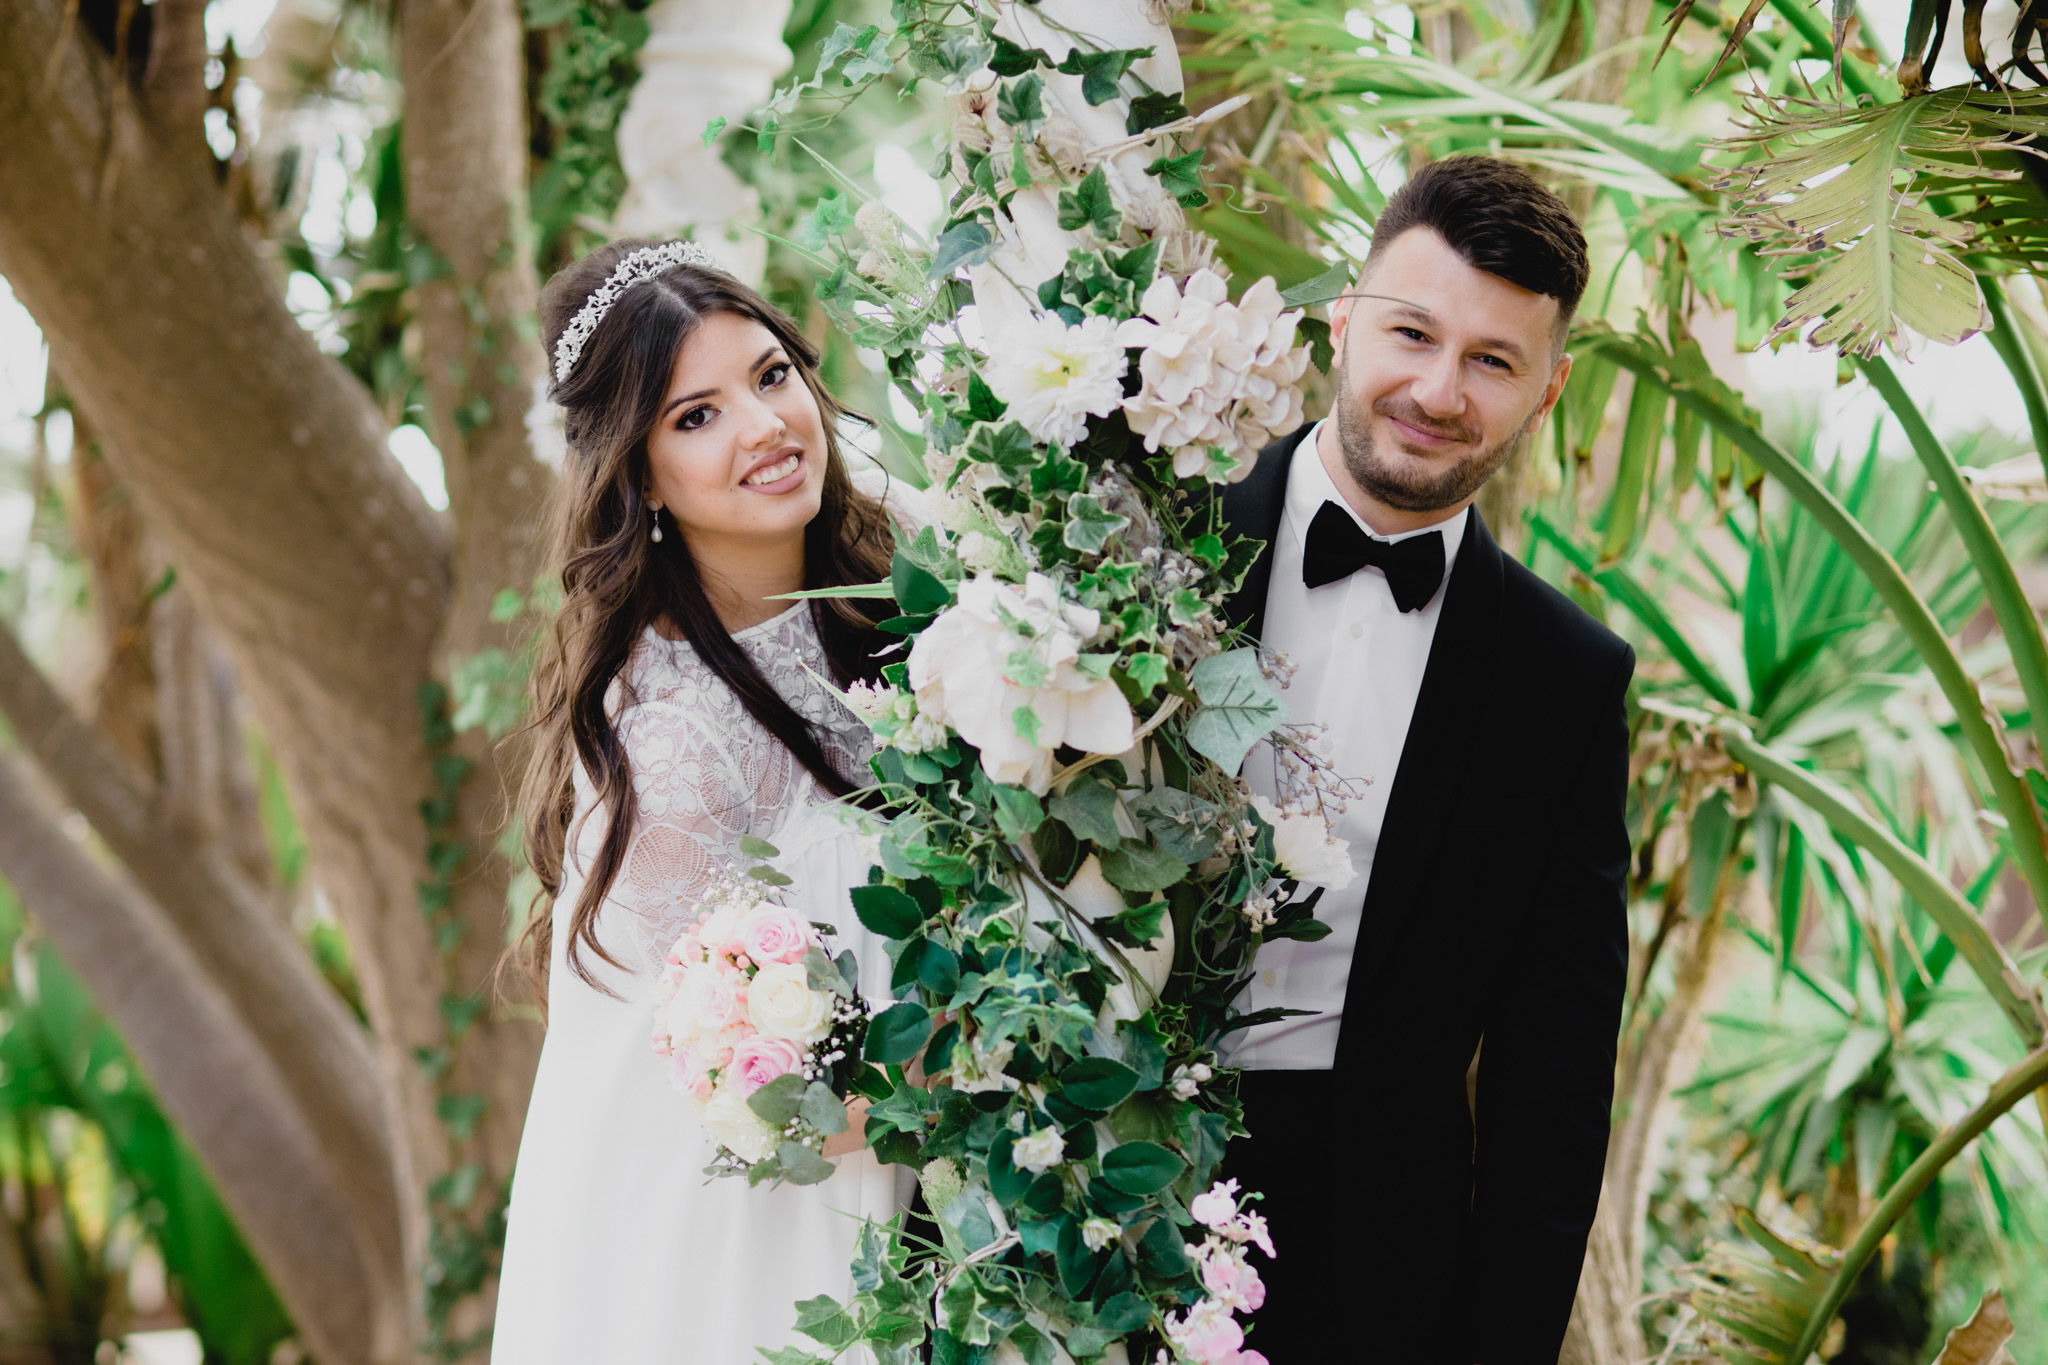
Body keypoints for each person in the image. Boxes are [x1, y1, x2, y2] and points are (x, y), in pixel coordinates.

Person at [1219, 156, 1635, 1364]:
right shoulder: (1141, 530)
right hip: (1076, 1185)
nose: (1437, 391)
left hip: (1364, 1258)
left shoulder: (1565, 681)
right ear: (1341, 323)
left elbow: (1550, 1082)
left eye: (1491, 362)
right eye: (1412, 333)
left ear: (1544, 393)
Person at [493, 238, 913, 1363]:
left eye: (770, 377)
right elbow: (730, 1107)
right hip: (777, 1254)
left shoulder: (909, 569)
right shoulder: (674, 753)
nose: (764, 427)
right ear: (637, 478)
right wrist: (976, 1066)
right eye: (696, 416)